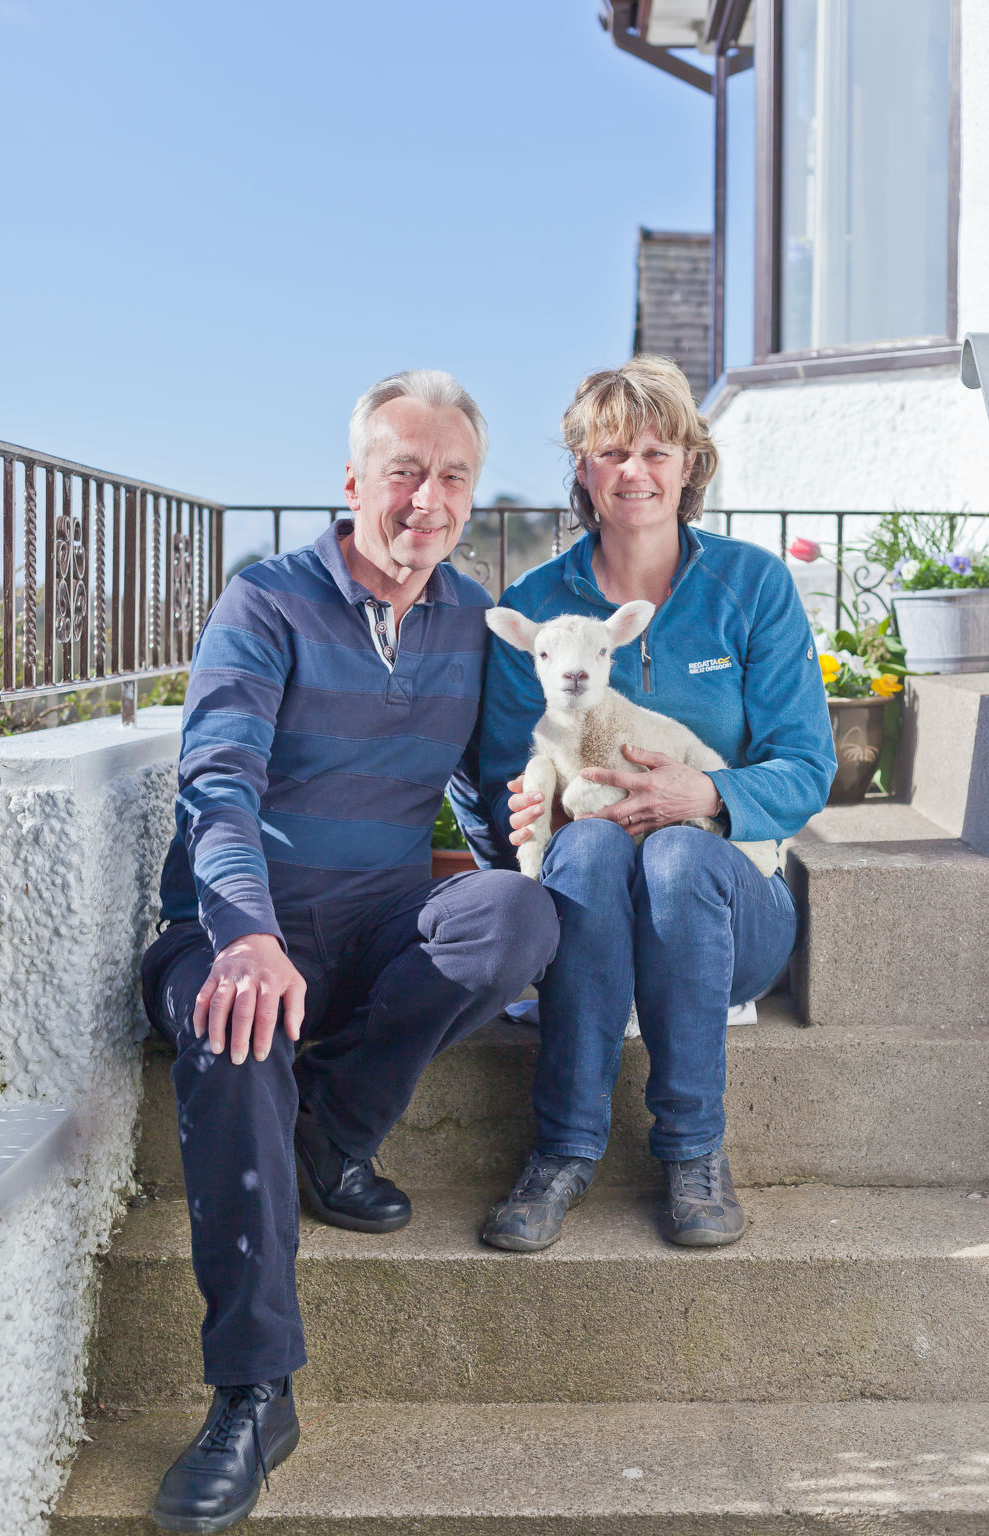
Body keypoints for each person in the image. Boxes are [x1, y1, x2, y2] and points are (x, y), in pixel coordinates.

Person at [140, 369, 559, 1533]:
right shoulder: (266, 602)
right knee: (234, 1034)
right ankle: (252, 1393)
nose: (427, 499)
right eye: (404, 471)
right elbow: (216, 780)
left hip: (378, 922)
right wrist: (248, 934)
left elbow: (488, 798)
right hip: (240, 928)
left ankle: (333, 1134)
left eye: (452, 478)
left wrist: (544, 845)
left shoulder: (471, 620)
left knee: (518, 918)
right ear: (353, 481)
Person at [478, 355, 835, 1254]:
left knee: (676, 854)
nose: (634, 471)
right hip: (590, 911)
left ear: (689, 465)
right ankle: (561, 1151)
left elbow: (806, 766)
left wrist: (706, 791)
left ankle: (692, 1153)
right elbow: (496, 777)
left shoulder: (752, 589)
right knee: (593, 852)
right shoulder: (534, 606)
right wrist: (536, 814)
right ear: (584, 474)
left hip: (729, 907)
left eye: (655, 449)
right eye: (610, 453)